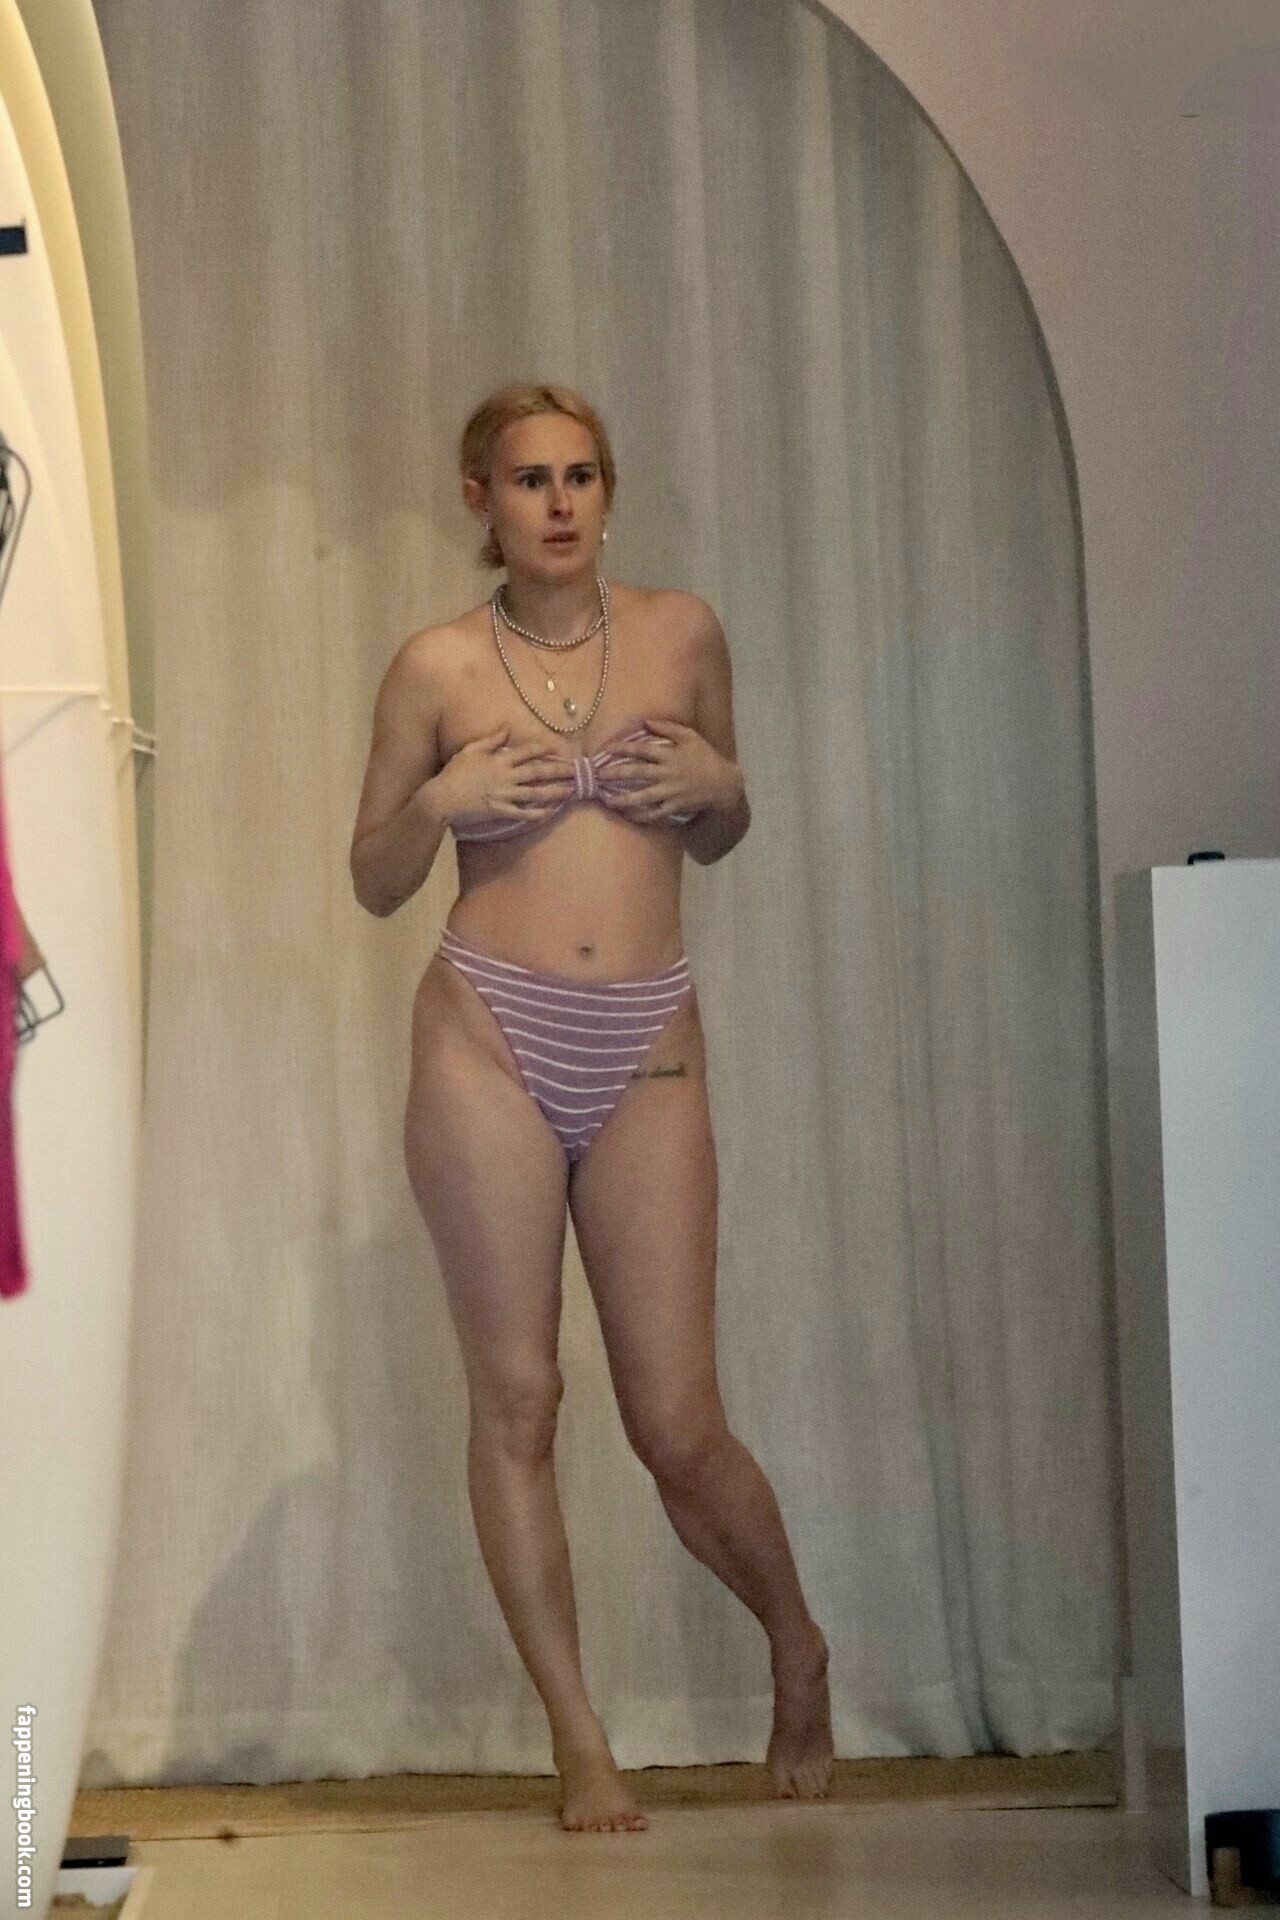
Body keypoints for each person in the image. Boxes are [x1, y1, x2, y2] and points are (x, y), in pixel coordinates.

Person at [350, 382, 833, 1833]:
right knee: (518, 1397)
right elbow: (372, 877)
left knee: (676, 1421)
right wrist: (437, 804)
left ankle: (797, 1646)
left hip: (645, 1039)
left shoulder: (681, 634)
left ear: (607, 491)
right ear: (480, 501)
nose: (558, 503)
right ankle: (579, 1738)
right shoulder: (437, 665)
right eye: (528, 480)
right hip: (485, 1037)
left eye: (580, 476)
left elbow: (723, 829)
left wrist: (720, 780)